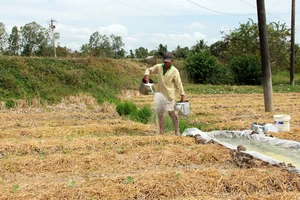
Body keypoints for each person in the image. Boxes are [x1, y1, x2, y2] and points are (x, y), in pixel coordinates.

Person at [143, 52, 185, 136]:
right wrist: (146, 75)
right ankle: (161, 132)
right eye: (165, 61)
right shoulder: (159, 67)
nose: (166, 63)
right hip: (159, 95)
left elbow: (178, 84)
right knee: (160, 113)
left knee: (171, 113)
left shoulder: (174, 71)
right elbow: (149, 70)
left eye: (168, 62)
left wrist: (182, 95)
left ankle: (177, 130)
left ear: (172, 61)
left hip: (169, 96)